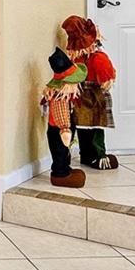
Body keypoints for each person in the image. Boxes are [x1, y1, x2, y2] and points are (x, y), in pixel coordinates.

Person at [62, 15, 119, 171]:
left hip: (83, 97)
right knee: (92, 126)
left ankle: (89, 155)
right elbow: (107, 78)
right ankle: (95, 156)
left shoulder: (80, 60)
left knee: (85, 125)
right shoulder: (96, 58)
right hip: (91, 96)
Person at [41, 47, 87, 188]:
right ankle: (59, 174)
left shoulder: (64, 96)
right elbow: (60, 114)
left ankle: (65, 169)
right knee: (60, 151)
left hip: (61, 128)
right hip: (59, 130)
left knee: (64, 151)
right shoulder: (59, 98)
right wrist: (65, 129)